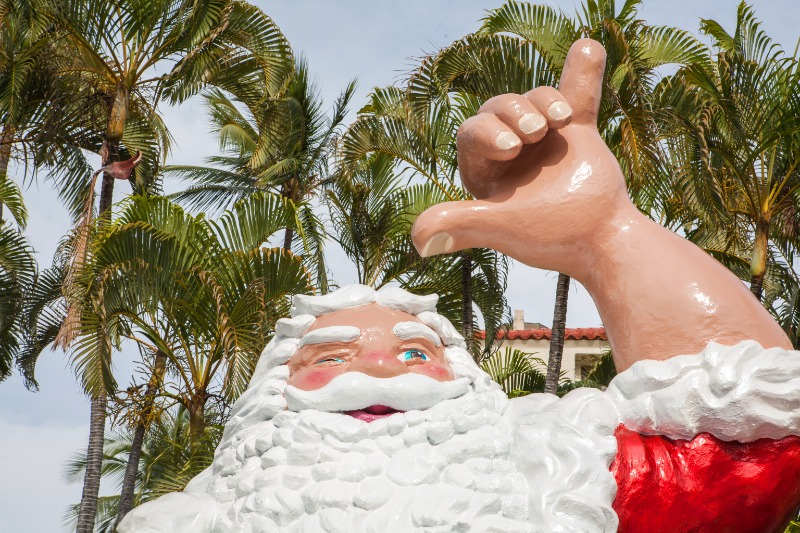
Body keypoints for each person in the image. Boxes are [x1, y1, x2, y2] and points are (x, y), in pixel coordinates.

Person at [119, 40, 800, 532]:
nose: (382, 369)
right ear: (269, 401)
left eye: (417, 352)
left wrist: (606, 232)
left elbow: (758, 434)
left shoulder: (555, 485)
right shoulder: (190, 522)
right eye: (331, 357)